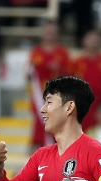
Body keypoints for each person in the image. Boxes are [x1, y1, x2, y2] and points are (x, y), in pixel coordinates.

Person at [28, 20, 72, 149]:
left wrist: (59, 69)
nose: (49, 35)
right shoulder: (36, 52)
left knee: (56, 135)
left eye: (52, 32)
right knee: (38, 135)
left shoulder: (63, 53)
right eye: (47, 32)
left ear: (57, 34)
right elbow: (28, 74)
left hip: (57, 102)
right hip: (40, 101)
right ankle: (36, 165)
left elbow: (70, 76)